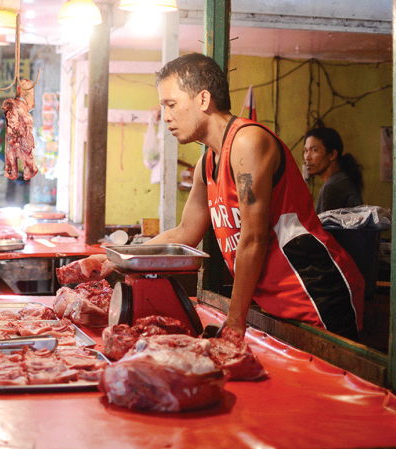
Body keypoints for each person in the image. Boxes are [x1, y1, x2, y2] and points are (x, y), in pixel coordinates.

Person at [95, 54, 365, 341]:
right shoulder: (207, 163)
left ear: (203, 99)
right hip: (275, 303)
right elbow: (186, 233)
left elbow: (254, 238)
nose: (167, 117)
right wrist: (113, 259)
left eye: (171, 105)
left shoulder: (248, 142)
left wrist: (235, 321)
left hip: (316, 290)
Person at [303, 126, 364, 214]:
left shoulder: (332, 187)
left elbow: (322, 227)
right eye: (305, 151)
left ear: (332, 154)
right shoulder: (342, 179)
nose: (307, 158)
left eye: (314, 150)